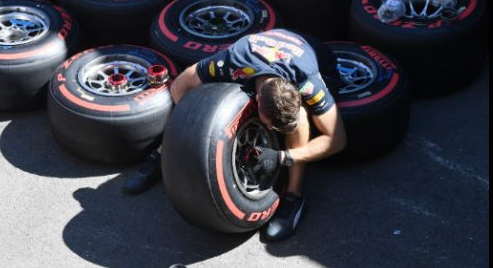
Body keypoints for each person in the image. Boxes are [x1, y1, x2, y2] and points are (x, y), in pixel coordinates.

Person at [122, 28, 347, 242]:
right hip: (258, 52)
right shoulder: (231, 62)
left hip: (314, 56)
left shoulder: (307, 82)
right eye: (274, 127)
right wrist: (186, 129)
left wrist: (283, 157)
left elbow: (337, 139)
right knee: (201, 93)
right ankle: (161, 152)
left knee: (300, 120)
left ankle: (294, 197)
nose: (275, 131)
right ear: (258, 103)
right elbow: (179, 86)